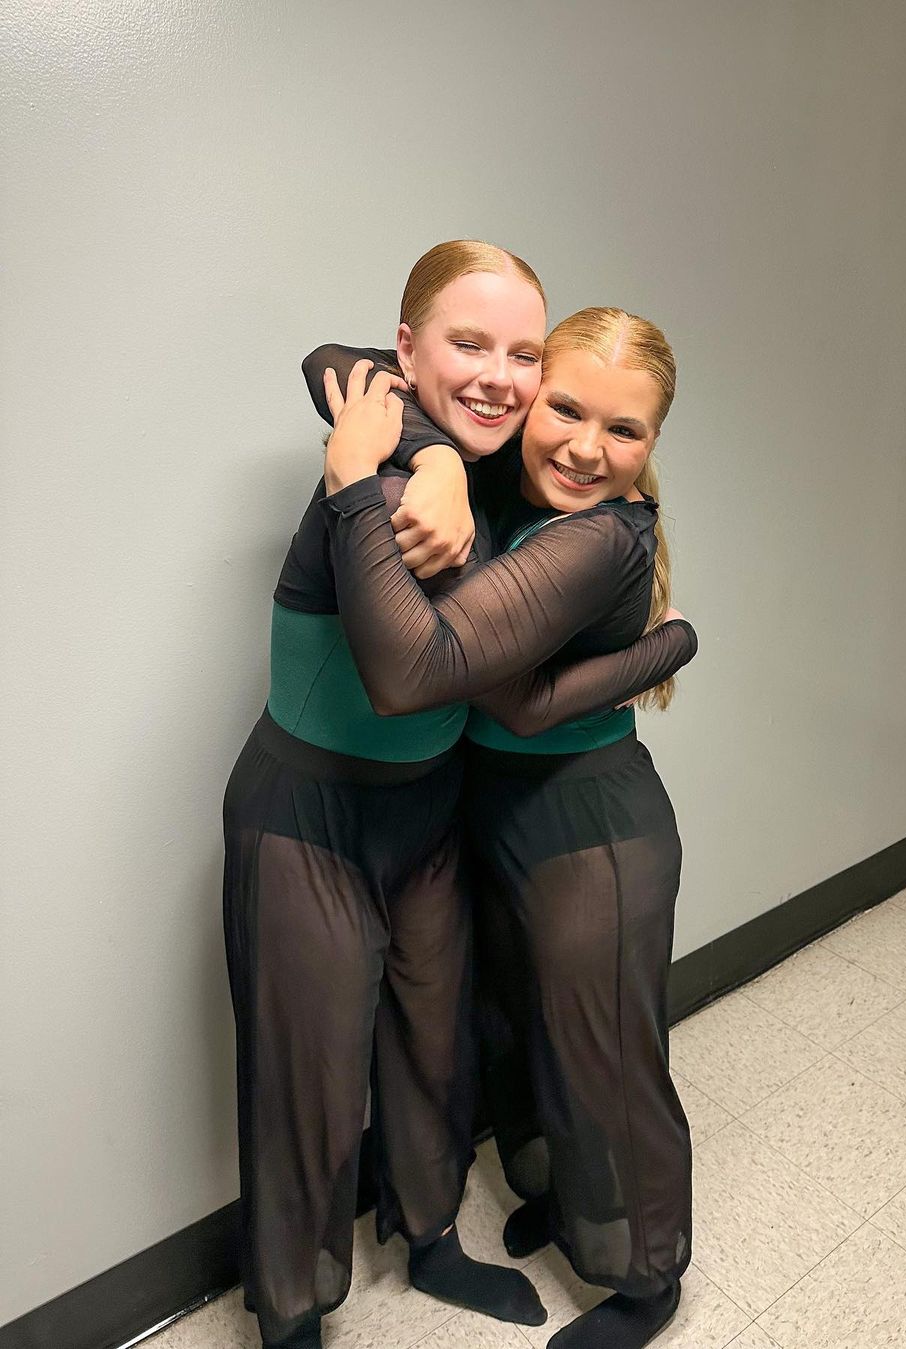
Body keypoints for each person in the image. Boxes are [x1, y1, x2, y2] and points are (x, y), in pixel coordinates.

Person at [223, 242, 694, 1349]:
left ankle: (431, 1238)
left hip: (432, 816)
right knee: (306, 1077)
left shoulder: (503, 474)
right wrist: (399, 466)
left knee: (433, 1046)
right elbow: (330, 360)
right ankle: (292, 1318)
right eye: (469, 345)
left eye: (522, 355)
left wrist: (443, 457)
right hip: (311, 821)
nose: (498, 377)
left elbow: (514, 686)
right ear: (408, 351)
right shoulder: (386, 465)